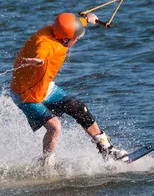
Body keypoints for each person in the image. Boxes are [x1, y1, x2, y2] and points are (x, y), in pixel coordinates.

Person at [10, 12, 128, 167]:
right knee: (54, 127)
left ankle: (107, 150)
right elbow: (41, 52)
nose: (77, 39)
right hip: (26, 94)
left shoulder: (57, 30)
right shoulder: (45, 44)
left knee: (78, 107)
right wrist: (38, 61)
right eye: (76, 38)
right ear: (65, 38)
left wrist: (86, 20)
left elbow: (70, 24)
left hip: (45, 86)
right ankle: (47, 165)